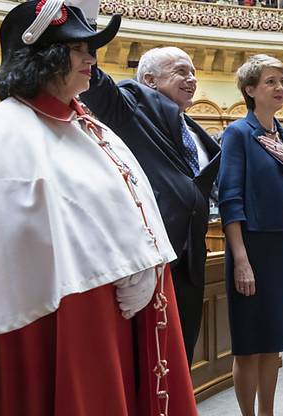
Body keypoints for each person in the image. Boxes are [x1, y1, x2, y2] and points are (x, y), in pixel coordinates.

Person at [0, 1, 197, 416]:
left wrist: (143, 263)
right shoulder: (5, 129)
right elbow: (18, 236)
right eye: (78, 49)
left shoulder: (82, 120)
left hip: (114, 308)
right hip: (69, 317)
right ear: (44, 58)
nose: (91, 60)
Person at [81, 43, 221, 365]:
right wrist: (84, 30)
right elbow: (100, 88)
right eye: (181, 71)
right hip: (153, 259)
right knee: (151, 361)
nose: (192, 79)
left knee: (181, 356)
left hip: (190, 260)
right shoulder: (132, 106)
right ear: (150, 80)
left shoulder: (194, 129)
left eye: (194, 72)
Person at [219, 54, 283, 416]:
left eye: (282, 81)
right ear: (250, 90)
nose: (280, 88)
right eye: (270, 82)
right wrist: (241, 261)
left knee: (273, 346)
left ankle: (268, 414)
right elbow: (230, 200)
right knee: (249, 345)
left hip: (280, 249)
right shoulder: (237, 133)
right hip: (251, 248)